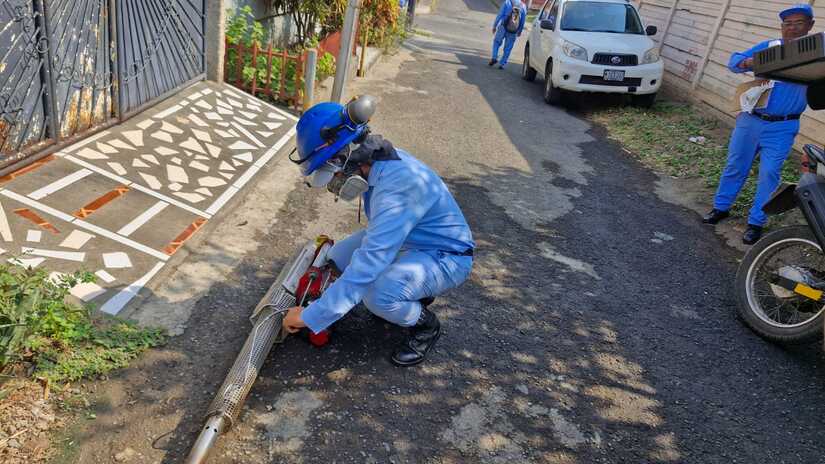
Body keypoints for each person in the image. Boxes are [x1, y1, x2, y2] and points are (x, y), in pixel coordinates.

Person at [281, 96, 475, 367]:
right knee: (336, 257)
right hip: (412, 238)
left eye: (332, 176)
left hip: (445, 255)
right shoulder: (377, 160)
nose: (333, 186)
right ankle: (407, 290)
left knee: (376, 294)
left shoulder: (398, 187)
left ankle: (425, 326)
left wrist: (309, 317)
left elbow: (367, 267)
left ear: (344, 158)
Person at [703, 4, 814, 245]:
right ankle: (721, 208)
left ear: (810, 27)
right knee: (735, 166)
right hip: (750, 120)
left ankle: (756, 223)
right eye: (788, 23)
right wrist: (751, 63)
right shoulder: (770, 48)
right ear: (782, 27)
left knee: (769, 174)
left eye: (799, 23)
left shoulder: (814, 55)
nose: (792, 28)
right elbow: (734, 62)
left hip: (783, 126)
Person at [490, 0, 527, 69]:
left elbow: (500, 15)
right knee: (508, 48)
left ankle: (494, 57)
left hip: (503, 27)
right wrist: (519, 31)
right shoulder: (523, 6)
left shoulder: (507, 2)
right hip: (513, 30)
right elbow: (522, 21)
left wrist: (495, 25)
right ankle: (502, 64)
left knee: (497, 42)